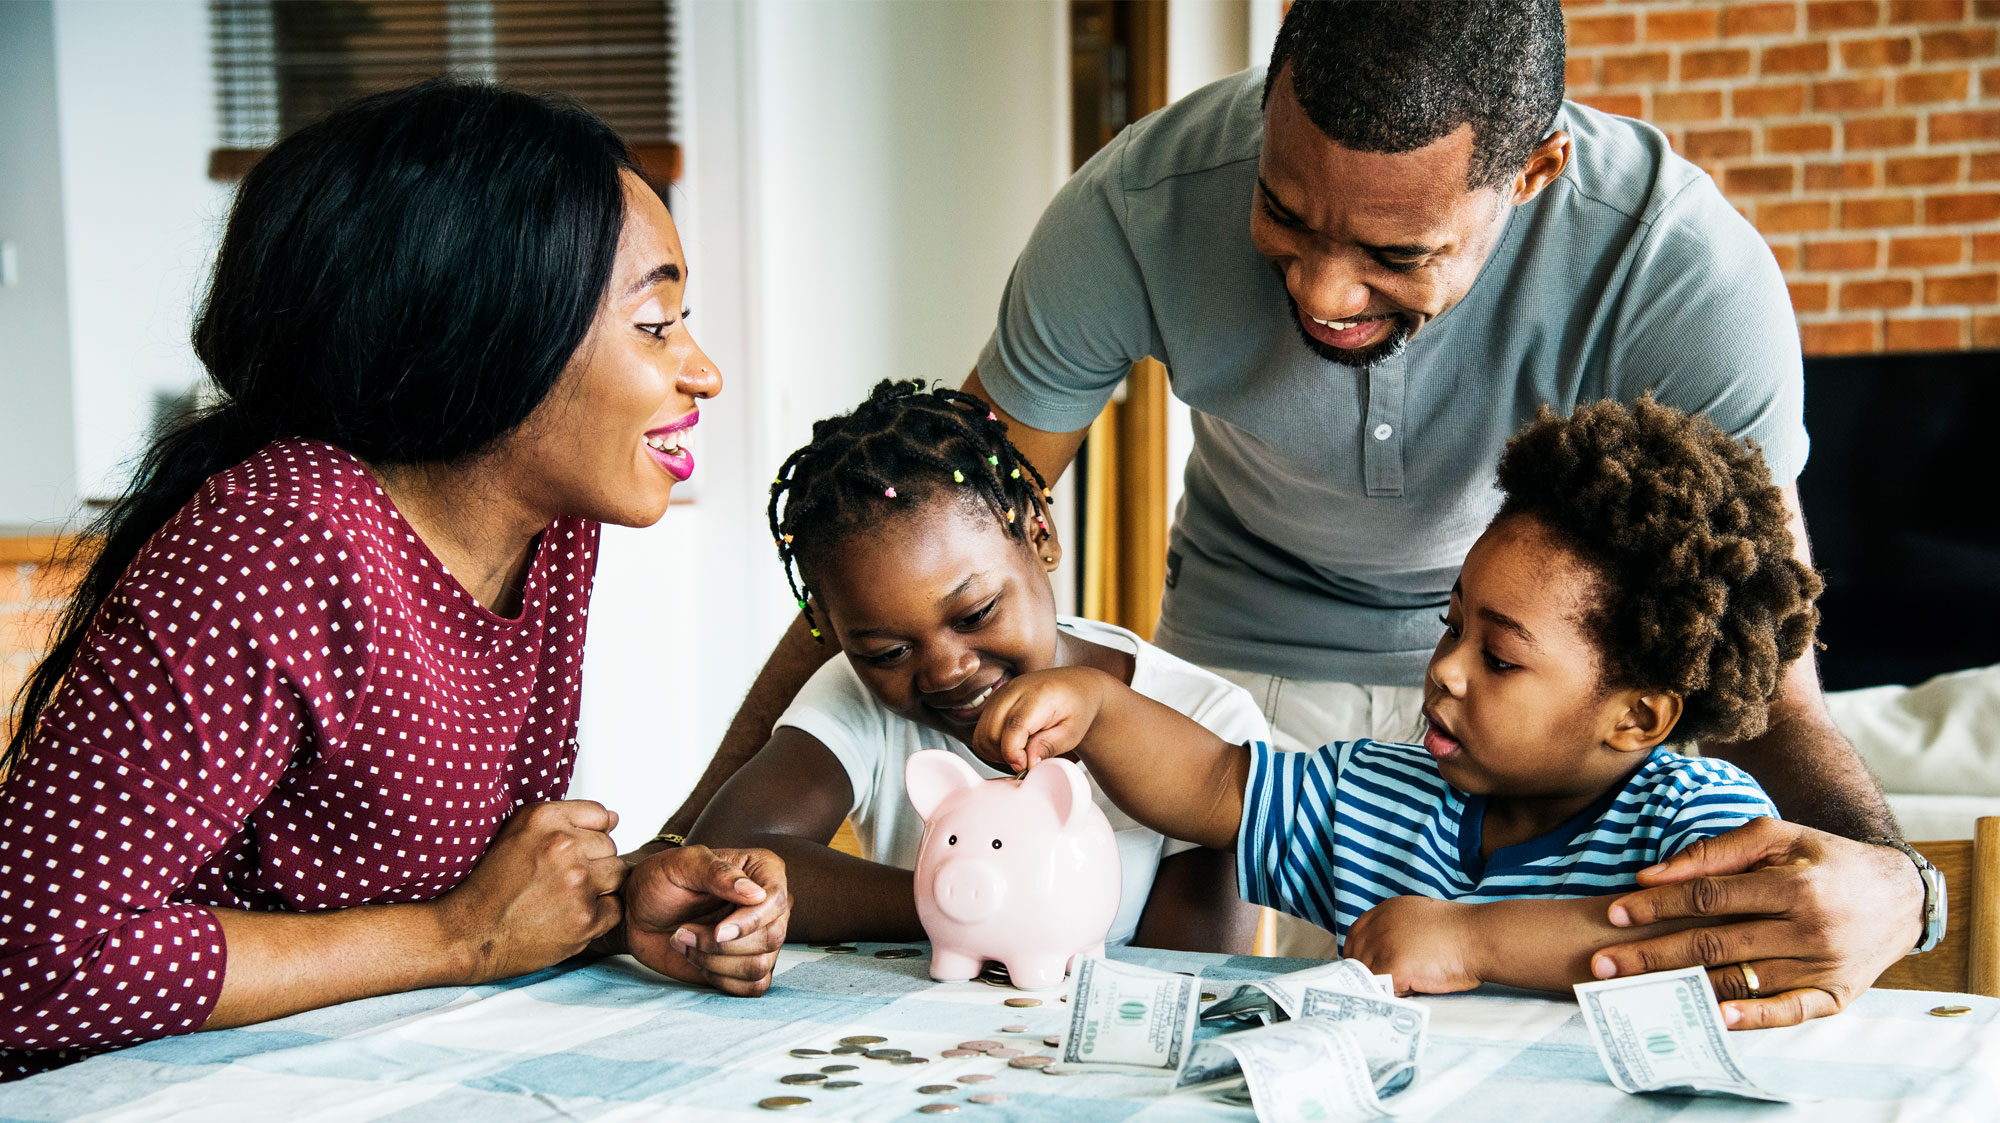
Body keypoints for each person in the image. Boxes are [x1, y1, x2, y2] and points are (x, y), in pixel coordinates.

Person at [642, 0, 1933, 1029]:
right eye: (1285, 211)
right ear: (1268, 105)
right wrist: (685, 842)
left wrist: (1901, 882)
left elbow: (1775, 692)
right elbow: (917, 525)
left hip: (1540, 701)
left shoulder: (1682, 276)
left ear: (1535, 172)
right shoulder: (1134, 209)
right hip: (1232, 685)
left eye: (1396, 255)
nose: (1321, 289)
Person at [0, 81, 788, 1081]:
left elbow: (460, 892)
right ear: (492, 326)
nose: (702, 371)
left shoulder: (549, 534)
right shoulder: (280, 539)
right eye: (653, 324)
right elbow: (27, 959)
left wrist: (616, 901)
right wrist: (457, 938)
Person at [979, 398, 1820, 1006]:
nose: (1447, 670)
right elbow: (1214, 787)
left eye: (1498, 657)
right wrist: (1097, 708)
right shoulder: (1380, 795)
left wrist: (1469, 939)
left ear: (1637, 717)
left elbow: (1699, 946)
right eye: (1451, 627)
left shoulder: (1697, 820)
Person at [683, 380, 1267, 951]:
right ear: (834, 632)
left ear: (1039, 533)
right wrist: (954, 900)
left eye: (976, 612)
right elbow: (724, 856)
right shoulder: (855, 693)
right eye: (888, 652)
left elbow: (1190, 974)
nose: (945, 671)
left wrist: (982, 903)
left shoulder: (1207, 720)